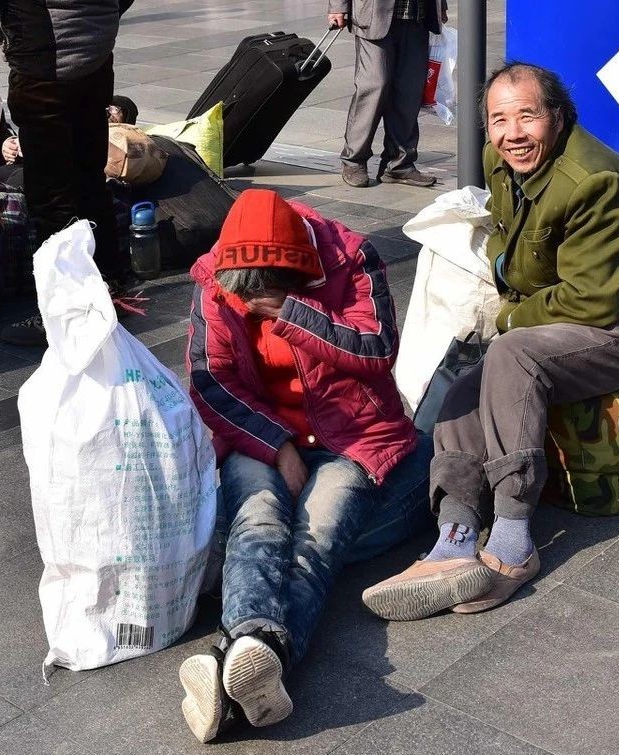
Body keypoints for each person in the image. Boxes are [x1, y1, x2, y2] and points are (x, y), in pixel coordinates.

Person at [362, 62, 619, 621]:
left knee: (508, 351)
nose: (512, 133)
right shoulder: (502, 161)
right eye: (498, 119)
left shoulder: (595, 182)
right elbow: (513, 241)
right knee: (466, 384)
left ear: (557, 118)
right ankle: (456, 535)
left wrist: (510, 316)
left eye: (527, 116)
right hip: (559, 317)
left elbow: (592, 302)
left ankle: (513, 540)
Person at [179, 188, 432, 743]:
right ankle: (260, 656)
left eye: (260, 294)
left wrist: (290, 312)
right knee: (259, 521)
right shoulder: (211, 279)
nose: (249, 305)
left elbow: (376, 348)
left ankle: (235, 663)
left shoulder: (351, 259)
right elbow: (210, 381)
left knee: (314, 538)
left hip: (355, 438)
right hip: (262, 431)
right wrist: (278, 446)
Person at [0, 0, 134, 346]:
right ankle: (109, 285)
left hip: (43, 59)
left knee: (49, 194)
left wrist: (5, 22)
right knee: (89, 178)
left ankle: (65, 311)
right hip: (96, 54)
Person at [328, 0, 446, 188]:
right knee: (375, 85)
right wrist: (338, 7)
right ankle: (354, 160)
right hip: (373, 16)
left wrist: (441, 5)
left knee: (409, 90)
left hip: (417, 15)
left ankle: (398, 164)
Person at [0, 94, 138, 167]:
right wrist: (9, 145)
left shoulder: (121, 143)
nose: (107, 112)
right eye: (105, 107)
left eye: (115, 110)